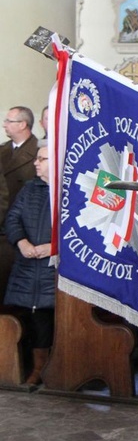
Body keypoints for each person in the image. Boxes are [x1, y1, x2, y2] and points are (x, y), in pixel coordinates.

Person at [3, 141, 54, 386]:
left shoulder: (72, 189)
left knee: (49, 317)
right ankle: (35, 368)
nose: (36, 163)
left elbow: (82, 230)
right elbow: (12, 219)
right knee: (32, 317)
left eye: (42, 159)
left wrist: (55, 248)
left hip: (53, 268)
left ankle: (49, 368)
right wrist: (21, 242)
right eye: (36, 158)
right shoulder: (30, 189)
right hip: (27, 266)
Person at [1, 106, 38, 225]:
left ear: (22, 124)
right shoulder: (3, 150)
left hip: (22, 222)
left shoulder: (40, 152)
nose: (4, 125)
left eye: (9, 121)